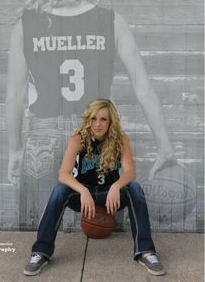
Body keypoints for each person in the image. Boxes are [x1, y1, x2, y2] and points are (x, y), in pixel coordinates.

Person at [6, 0, 176, 226]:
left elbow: (14, 97)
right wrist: (165, 146)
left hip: (42, 139)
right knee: (101, 231)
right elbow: (143, 88)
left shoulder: (25, 25)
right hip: (96, 135)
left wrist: (14, 150)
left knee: (36, 229)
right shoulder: (112, 21)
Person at [23, 99, 165, 276]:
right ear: (88, 119)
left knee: (134, 188)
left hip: (109, 195)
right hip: (84, 195)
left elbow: (129, 173)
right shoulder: (78, 138)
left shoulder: (121, 139)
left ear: (111, 121)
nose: (98, 124)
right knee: (59, 190)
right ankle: (41, 252)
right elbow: (63, 174)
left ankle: (146, 252)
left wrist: (116, 186)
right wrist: (82, 190)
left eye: (103, 119)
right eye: (94, 118)